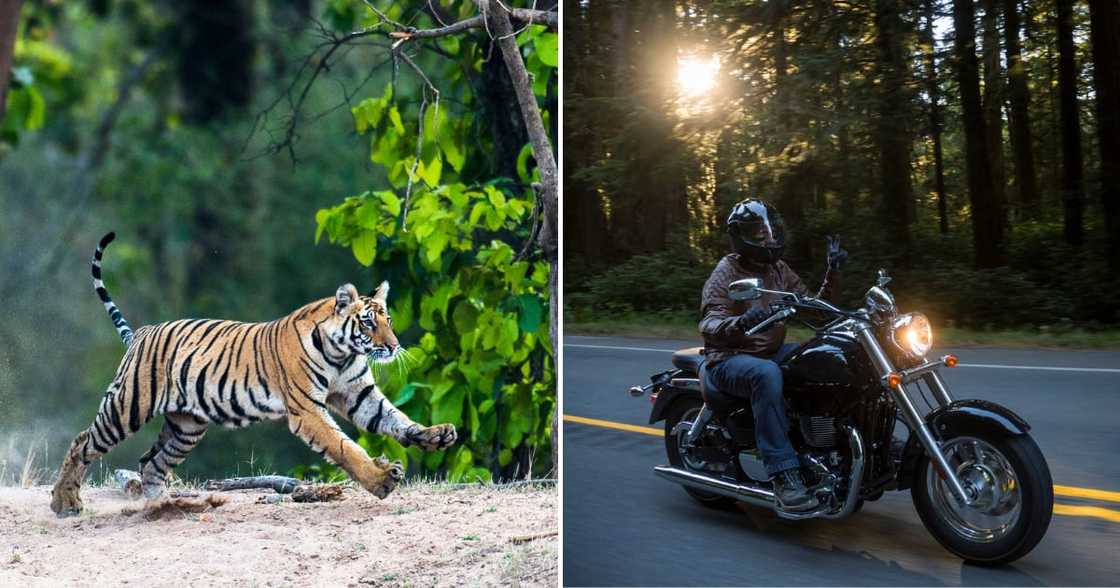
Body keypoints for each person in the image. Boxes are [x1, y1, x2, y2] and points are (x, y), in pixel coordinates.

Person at [698, 198, 847, 512]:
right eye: (759, 232)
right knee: (766, 374)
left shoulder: (778, 269)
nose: (767, 237)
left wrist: (832, 272)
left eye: (770, 230)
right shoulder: (726, 271)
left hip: (771, 351)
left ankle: (841, 444)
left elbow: (816, 309)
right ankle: (783, 475)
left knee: (829, 358)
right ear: (741, 236)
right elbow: (709, 322)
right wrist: (739, 322)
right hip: (728, 358)